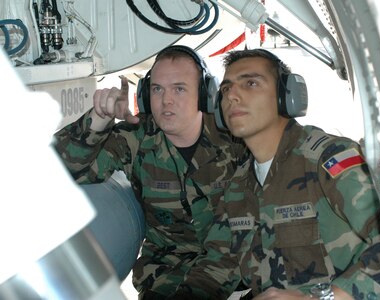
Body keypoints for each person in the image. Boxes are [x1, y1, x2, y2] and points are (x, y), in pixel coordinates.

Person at [169, 48, 380, 299]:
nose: (232, 96)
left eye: (250, 83)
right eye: (226, 88)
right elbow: (218, 267)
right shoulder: (238, 185)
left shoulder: (328, 159)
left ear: (286, 96)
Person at [53, 45, 243, 299]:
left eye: (179, 89)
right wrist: (99, 120)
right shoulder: (136, 138)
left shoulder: (235, 138)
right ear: (144, 95)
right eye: (157, 89)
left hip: (235, 274)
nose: (166, 100)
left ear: (205, 94)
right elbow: (55, 172)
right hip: (165, 276)